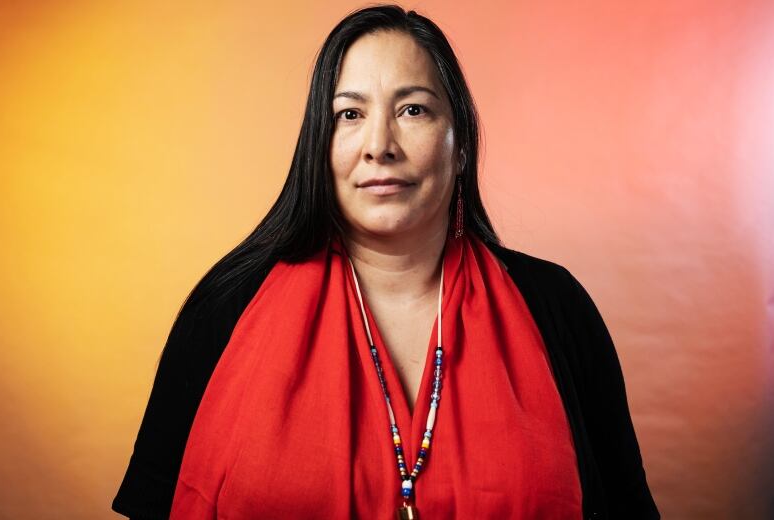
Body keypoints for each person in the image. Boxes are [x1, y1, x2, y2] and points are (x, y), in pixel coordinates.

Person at [112, 4, 659, 519]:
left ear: (460, 141)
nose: (379, 145)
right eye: (349, 114)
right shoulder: (227, 305)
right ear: (319, 145)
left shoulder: (555, 306)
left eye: (413, 109)